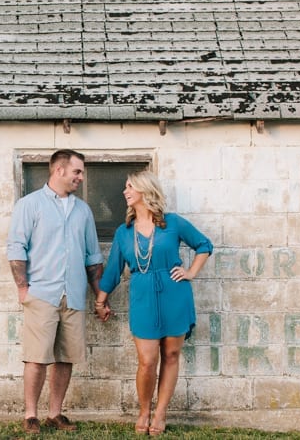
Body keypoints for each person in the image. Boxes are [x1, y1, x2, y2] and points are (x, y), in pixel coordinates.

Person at [94, 169, 212, 436]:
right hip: (143, 296)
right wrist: (101, 300)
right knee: (147, 361)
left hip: (175, 295)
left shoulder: (173, 223)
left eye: (130, 187)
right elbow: (113, 270)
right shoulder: (124, 232)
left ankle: (160, 414)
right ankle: (144, 410)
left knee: (171, 355)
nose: (125, 191)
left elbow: (204, 245)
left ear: (146, 190)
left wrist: (190, 272)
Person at [6, 149, 104, 435]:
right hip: (42, 294)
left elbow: (93, 257)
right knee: (37, 357)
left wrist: (99, 294)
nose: (81, 178)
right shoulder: (30, 205)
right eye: (77, 172)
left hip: (73, 294)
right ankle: (30, 415)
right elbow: (16, 248)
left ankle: (55, 413)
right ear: (59, 170)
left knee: (66, 357)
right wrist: (23, 288)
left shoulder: (82, 210)